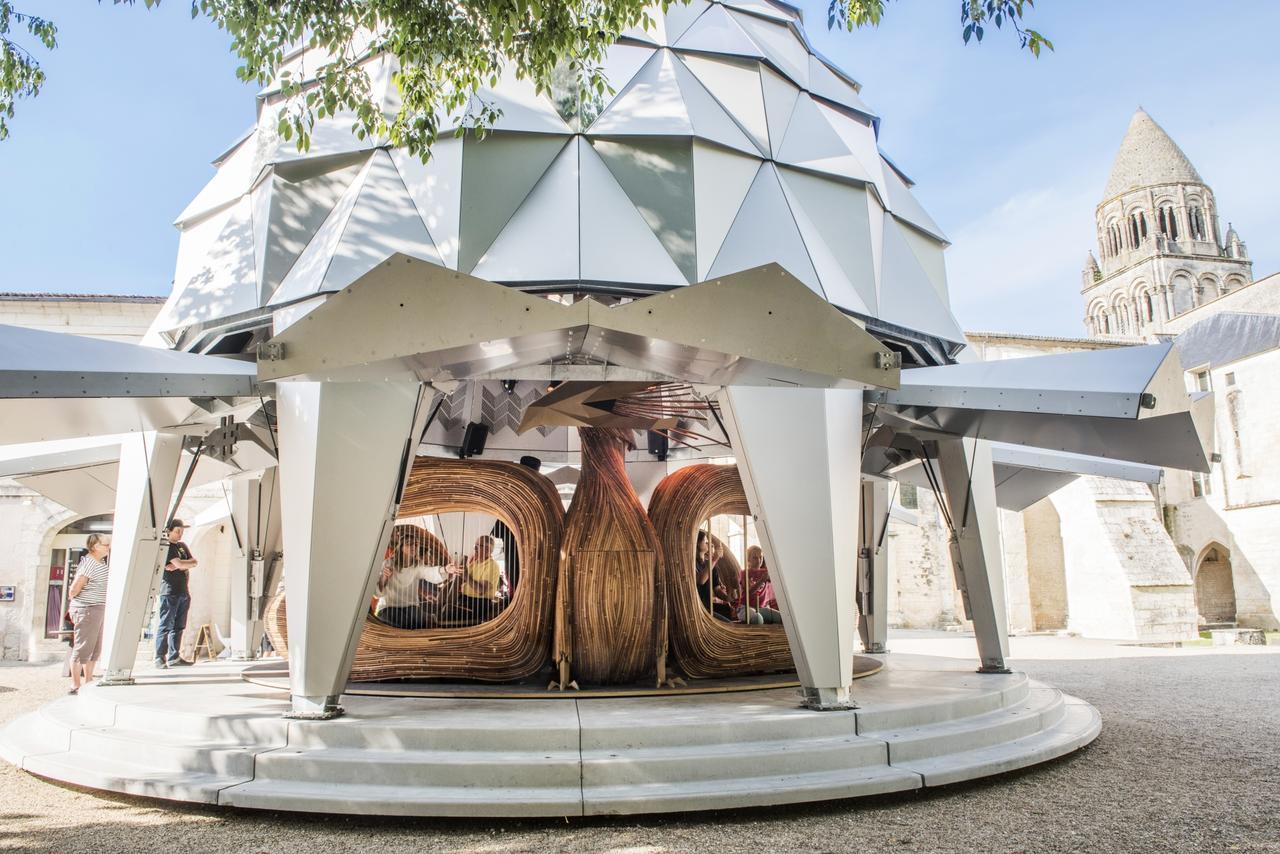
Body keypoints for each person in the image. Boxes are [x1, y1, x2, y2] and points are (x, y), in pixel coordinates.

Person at [376, 525, 458, 629]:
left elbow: (429, 572)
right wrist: (384, 577)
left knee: (425, 622)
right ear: (401, 547)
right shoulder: (387, 563)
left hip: (411, 607)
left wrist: (445, 569)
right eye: (408, 544)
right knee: (405, 625)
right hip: (388, 608)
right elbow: (377, 593)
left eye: (415, 544)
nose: (413, 547)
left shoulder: (417, 565)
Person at [67, 533, 111, 695]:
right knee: (83, 648)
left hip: (97, 608)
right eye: (106, 545)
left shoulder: (101, 562)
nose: (109, 548)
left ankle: (88, 680)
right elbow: (75, 588)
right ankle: (75, 685)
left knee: (94, 648)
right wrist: (77, 603)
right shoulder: (89, 563)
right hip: (87, 608)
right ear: (95, 546)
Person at [156, 519, 197, 668]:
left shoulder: (182, 546)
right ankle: (160, 657)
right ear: (169, 530)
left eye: (181, 531)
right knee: (165, 624)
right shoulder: (166, 546)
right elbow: (182, 564)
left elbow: (194, 562)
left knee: (179, 626)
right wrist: (182, 565)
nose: (180, 534)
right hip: (169, 591)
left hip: (183, 590)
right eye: (177, 531)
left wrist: (180, 565)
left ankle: (174, 656)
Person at [456, 535, 504, 624]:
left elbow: (481, 590)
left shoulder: (492, 566)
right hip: (464, 600)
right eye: (475, 545)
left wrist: (466, 576)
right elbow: (460, 581)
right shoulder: (474, 564)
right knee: (444, 608)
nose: (475, 548)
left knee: (448, 614)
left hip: (478, 605)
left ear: (487, 549)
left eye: (478, 545)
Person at [694, 531, 734, 622]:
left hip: (709, 605)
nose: (709, 543)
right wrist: (715, 558)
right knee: (727, 623)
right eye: (705, 541)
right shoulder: (692, 563)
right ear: (697, 543)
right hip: (698, 607)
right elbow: (701, 580)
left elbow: (717, 589)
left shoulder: (711, 564)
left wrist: (728, 597)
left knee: (727, 611)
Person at [740, 545, 783, 625]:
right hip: (746, 608)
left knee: (782, 618)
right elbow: (748, 591)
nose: (759, 560)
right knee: (757, 618)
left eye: (761, 557)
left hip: (762, 608)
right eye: (755, 557)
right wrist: (762, 580)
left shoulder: (766, 572)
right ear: (748, 559)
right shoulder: (744, 573)